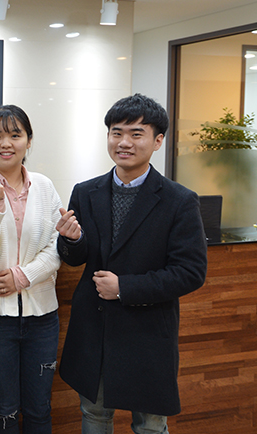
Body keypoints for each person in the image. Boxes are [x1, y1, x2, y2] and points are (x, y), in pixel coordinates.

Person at [56, 94, 208, 434]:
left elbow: (190, 272)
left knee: (150, 425)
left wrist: (124, 287)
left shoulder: (179, 200)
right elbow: (75, 258)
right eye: (116, 132)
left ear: (158, 141)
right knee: (94, 416)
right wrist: (71, 240)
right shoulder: (85, 191)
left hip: (147, 332)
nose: (124, 142)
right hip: (95, 330)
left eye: (136, 134)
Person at [0, 105, 63, 434]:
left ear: (28, 141)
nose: (6, 143)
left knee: (39, 409)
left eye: (15, 135)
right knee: (4, 410)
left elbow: (57, 245)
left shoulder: (44, 186)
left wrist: (23, 276)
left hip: (43, 317)